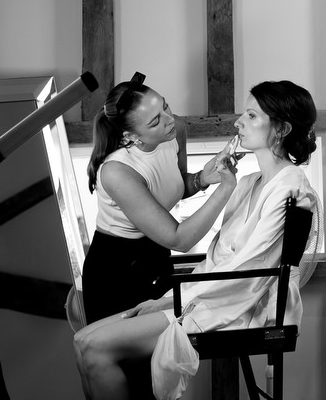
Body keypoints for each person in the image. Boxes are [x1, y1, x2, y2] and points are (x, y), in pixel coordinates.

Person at [73, 80, 321, 400]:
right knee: (82, 342)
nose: (237, 122)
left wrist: (174, 300)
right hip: (143, 274)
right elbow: (216, 257)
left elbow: (249, 268)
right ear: (131, 136)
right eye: (155, 119)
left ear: (282, 129)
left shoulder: (290, 188)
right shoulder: (248, 183)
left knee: (93, 347)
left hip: (229, 302)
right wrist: (166, 300)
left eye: (251, 115)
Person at [81, 73, 239, 325]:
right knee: (121, 356)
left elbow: (174, 185)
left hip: (155, 254)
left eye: (165, 105)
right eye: (155, 121)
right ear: (130, 136)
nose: (169, 120)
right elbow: (179, 238)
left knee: (162, 354)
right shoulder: (118, 171)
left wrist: (202, 179)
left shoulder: (175, 130)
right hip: (116, 267)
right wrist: (226, 189)